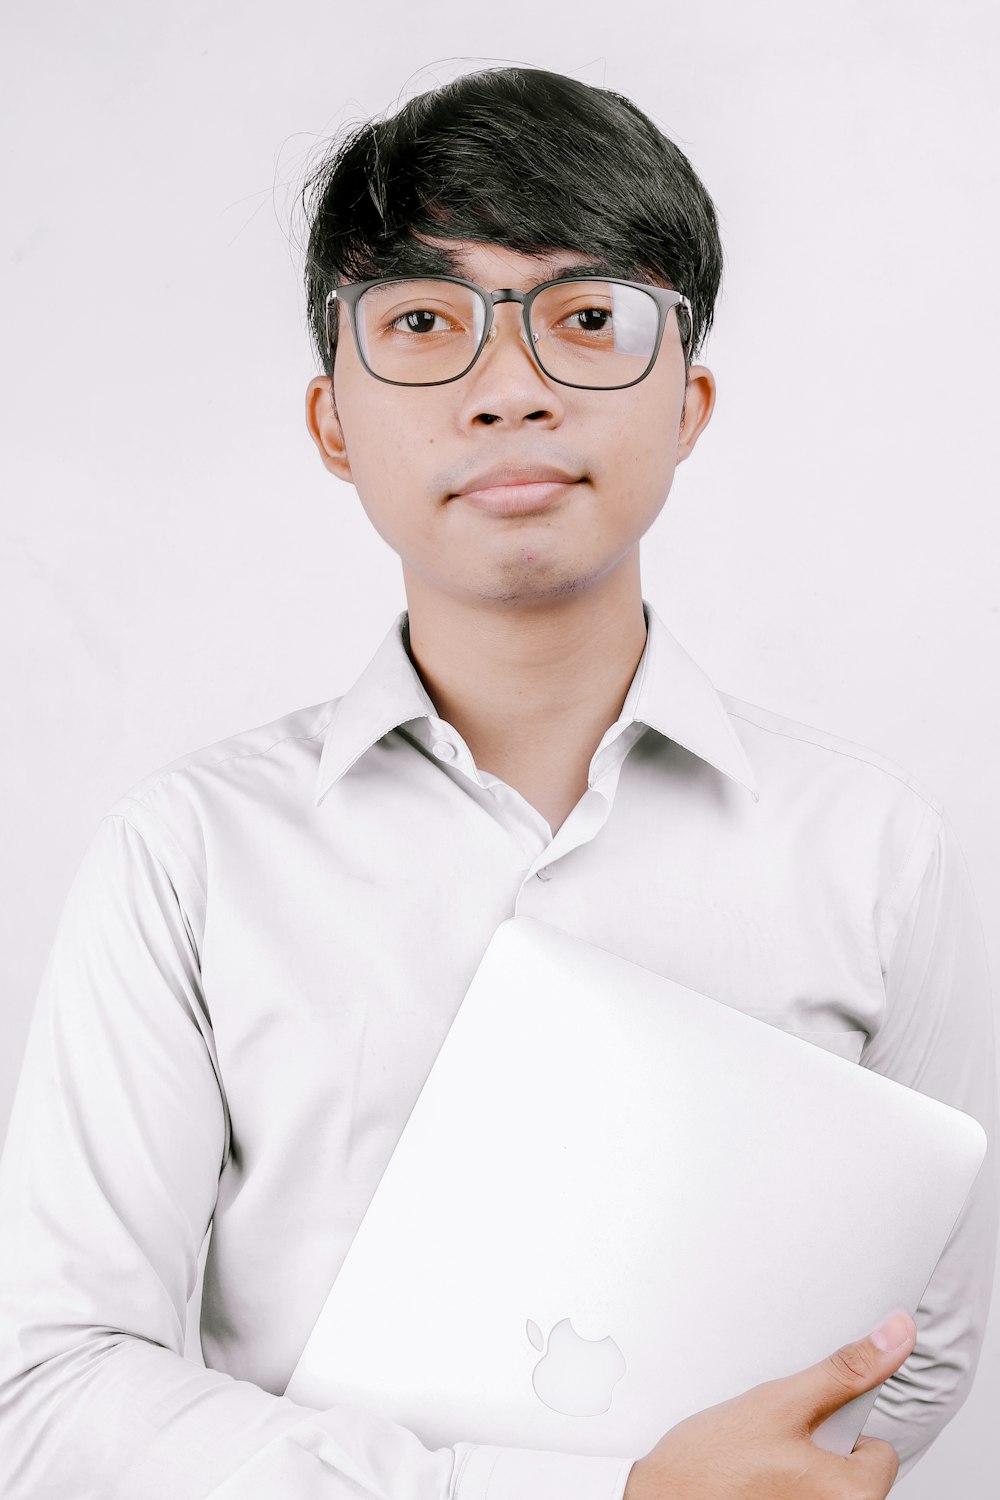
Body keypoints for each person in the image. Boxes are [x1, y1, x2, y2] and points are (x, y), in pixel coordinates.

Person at [0, 64, 995, 1500]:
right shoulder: (188, 857)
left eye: (589, 320)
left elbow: (925, 1344)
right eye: (423, 325)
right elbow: (51, 1390)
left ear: (690, 403)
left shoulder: (876, 850)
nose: (510, 389)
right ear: (333, 421)